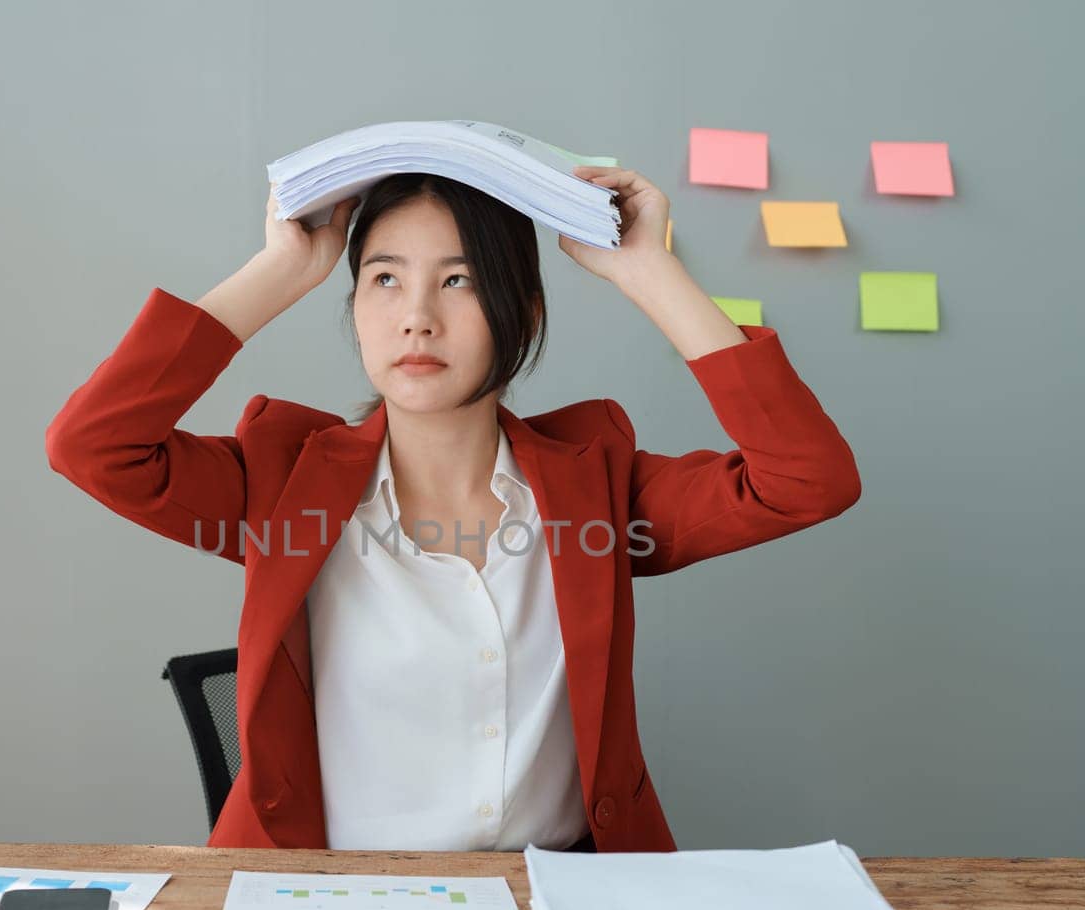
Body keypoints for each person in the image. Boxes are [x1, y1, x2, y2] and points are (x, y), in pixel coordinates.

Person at [45, 166, 861, 852]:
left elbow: (806, 479)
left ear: (524, 313)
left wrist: (650, 270)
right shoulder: (284, 484)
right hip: (330, 908)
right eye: (385, 278)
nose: (417, 316)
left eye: (459, 279)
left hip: (563, 903)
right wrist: (283, 270)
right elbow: (94, 445)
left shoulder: (597, 490)